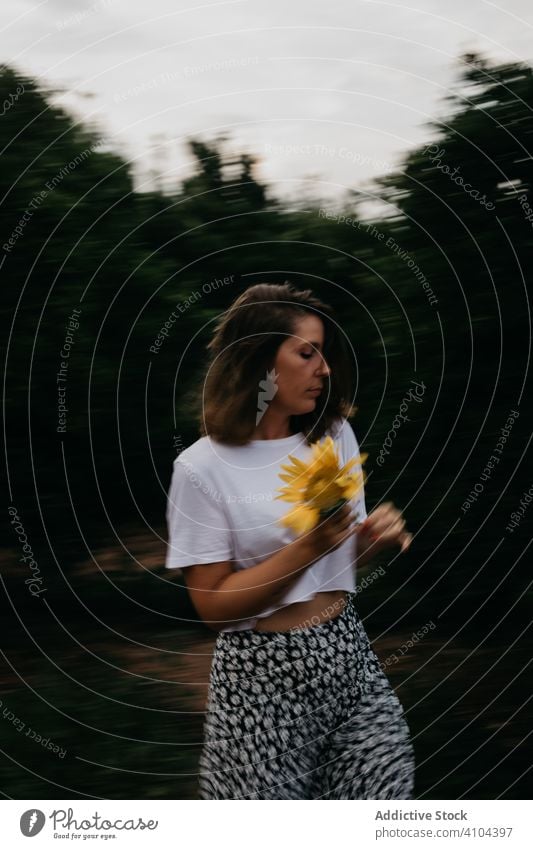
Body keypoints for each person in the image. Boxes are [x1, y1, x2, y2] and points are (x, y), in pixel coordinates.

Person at [165, 281, 415, 800]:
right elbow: (213, 606)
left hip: (347, 655)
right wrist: (311, 546)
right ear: (259, 361)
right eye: (307, 352)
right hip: (259, 678)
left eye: (324, 353)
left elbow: (341, 559)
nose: (324, 368)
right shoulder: (200, 468)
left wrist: (371, 539)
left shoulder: (334, 434)